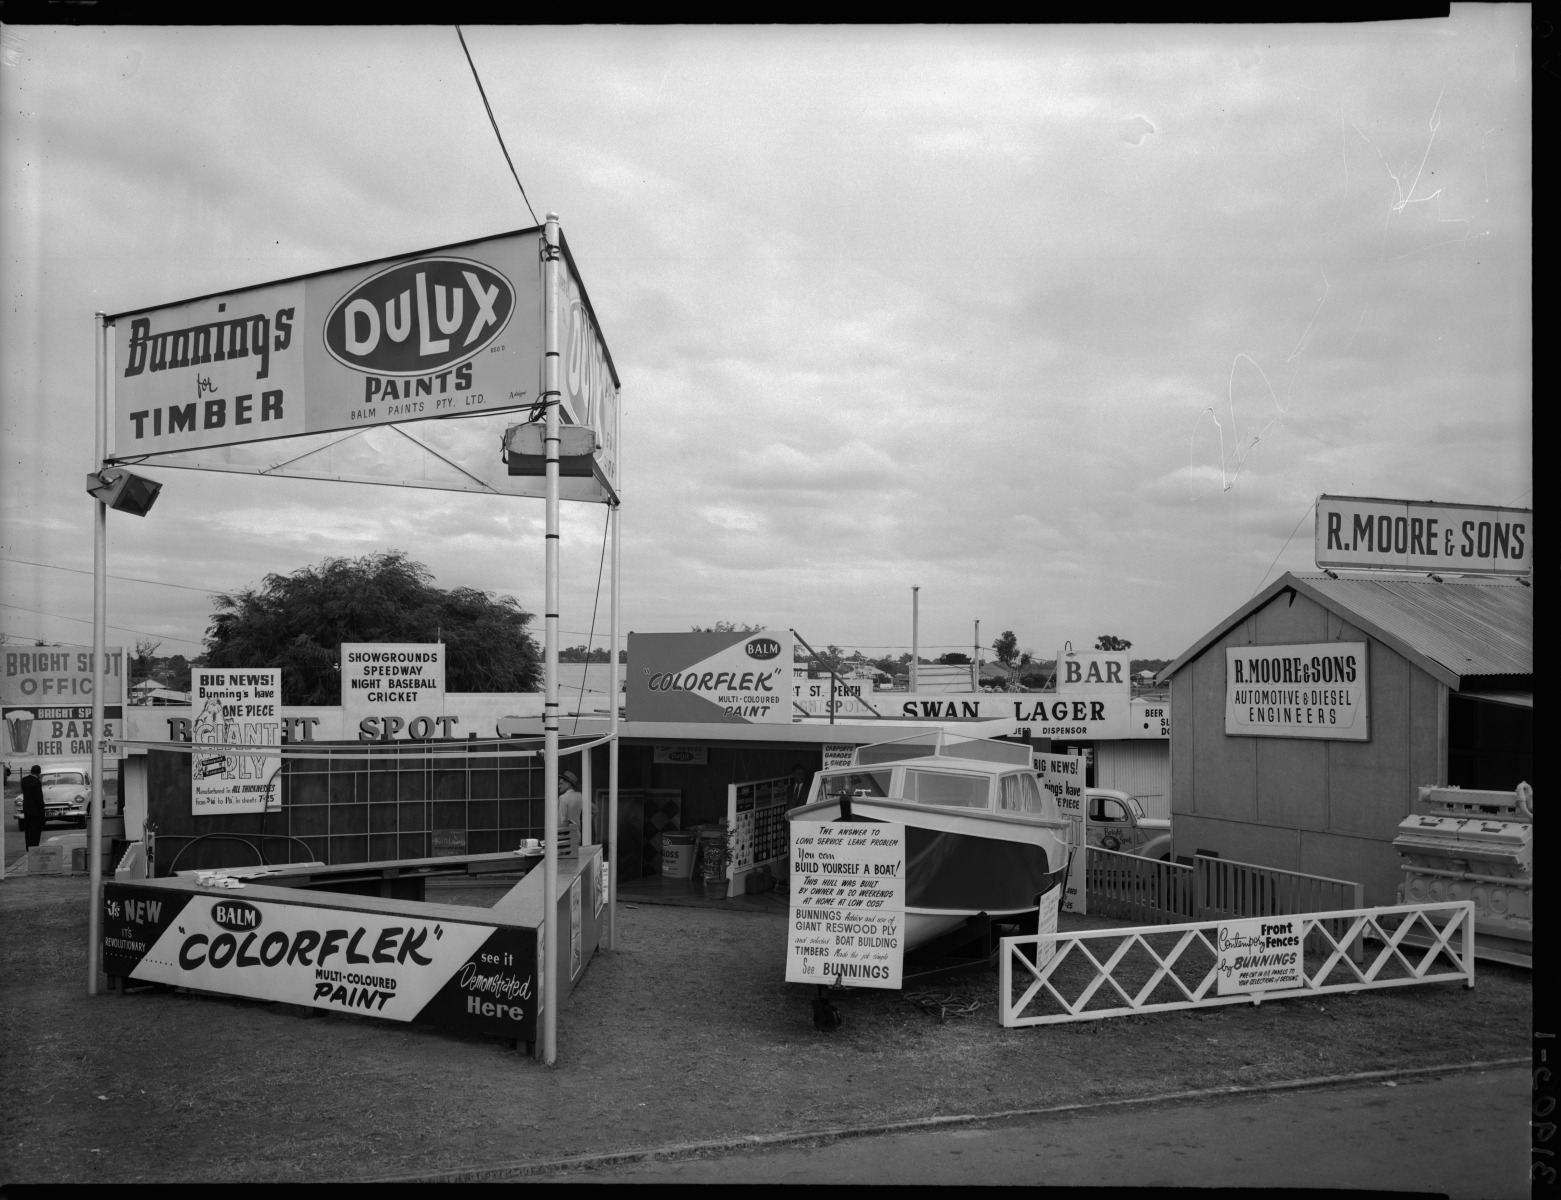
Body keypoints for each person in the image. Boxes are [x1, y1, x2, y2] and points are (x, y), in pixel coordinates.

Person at [21, 764, 45, 849]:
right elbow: (38, 798)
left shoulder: (24, 780)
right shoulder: (37, 783)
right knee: (35, 831)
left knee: (28, 830)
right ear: (39, 773)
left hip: (26, 809)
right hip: (35, 811)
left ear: (31, 771)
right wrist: (42, 807)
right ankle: (34, 847)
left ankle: (28, 847)